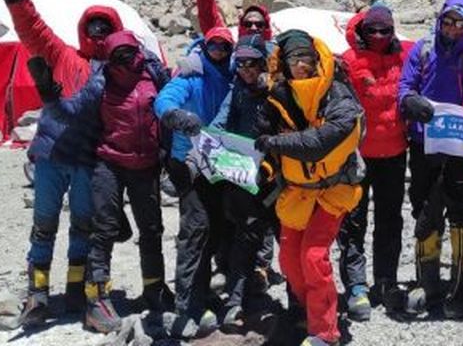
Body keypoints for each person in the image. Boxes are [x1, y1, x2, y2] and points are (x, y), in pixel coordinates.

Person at [0, 0, 170, 326]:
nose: (99, 34)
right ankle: (37, 296)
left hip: (91, 160)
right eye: (93, 27)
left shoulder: (127, 68)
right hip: (53, 154)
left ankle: (76, 291)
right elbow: (33, 31)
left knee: (84, 228)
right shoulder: (65, 58)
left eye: (106, 27)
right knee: (44, 224)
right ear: (82, 32)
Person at [27, 29, 171, 333]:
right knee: (102, 230)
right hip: (111, 163)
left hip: (146, 164)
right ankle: (95, 299)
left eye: (130, 53)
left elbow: (170, 104)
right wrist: (50, 93)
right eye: (118, 56)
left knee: (152, 228)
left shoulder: (152, 74)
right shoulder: (100, 83)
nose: (126, 61)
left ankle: (154, 288)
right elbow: (71, 112)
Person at [256, 29, 363, 346]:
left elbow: (323, 141)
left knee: (314, 256)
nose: (301, 64)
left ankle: (325, 333)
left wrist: (276, 142)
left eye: (306, 57)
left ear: (317, 59)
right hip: (298, 191)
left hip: (334, 189)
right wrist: (264, 169)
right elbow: (265, 145)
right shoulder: (277, 98)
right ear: (283, 64)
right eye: (293, 58)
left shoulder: (339, 93)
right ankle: (311, 312)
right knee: (290, 260)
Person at [396, 0, 463, 319]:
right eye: (447, 21)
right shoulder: (422, 50)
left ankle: (462, 288)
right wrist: (410, 102)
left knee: (460, 209)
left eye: (459, 23)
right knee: (422, 205)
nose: (451, 28)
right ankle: (427, 284)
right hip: (423, 143)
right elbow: (405, 86)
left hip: (459, 144)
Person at [154, 26, 236, 339]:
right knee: (195, 228)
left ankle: (202, 292)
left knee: (217, 226)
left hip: (219, 161)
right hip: (186, 160)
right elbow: (165, 99)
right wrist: (174, 116)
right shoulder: (191, 73)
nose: (217, 50)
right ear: (204, 44)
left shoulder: (233, 72)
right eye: (212, 44)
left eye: (223, 46)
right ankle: (186, 305)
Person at [336, 4, 413, 319]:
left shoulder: (404, 55)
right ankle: (356, 286)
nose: (379, 36)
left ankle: (386, 280)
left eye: (385, 30)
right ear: (363, 31)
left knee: (389, 220)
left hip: (394, 153)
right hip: (356, 155)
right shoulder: (348, 61)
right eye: (373, 30)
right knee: (353, 220)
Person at [210, 34, 275, 330]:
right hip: (245, 174)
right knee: (244, 236)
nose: (246, 69)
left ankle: (300, 308)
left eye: (253, 63)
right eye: (241, 63)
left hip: (278, 176)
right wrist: (207, 140)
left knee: (287, 238)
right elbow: (221, 121)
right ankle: (236, 300)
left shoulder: (278, 88)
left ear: (264, 61)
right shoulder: (237, 89)